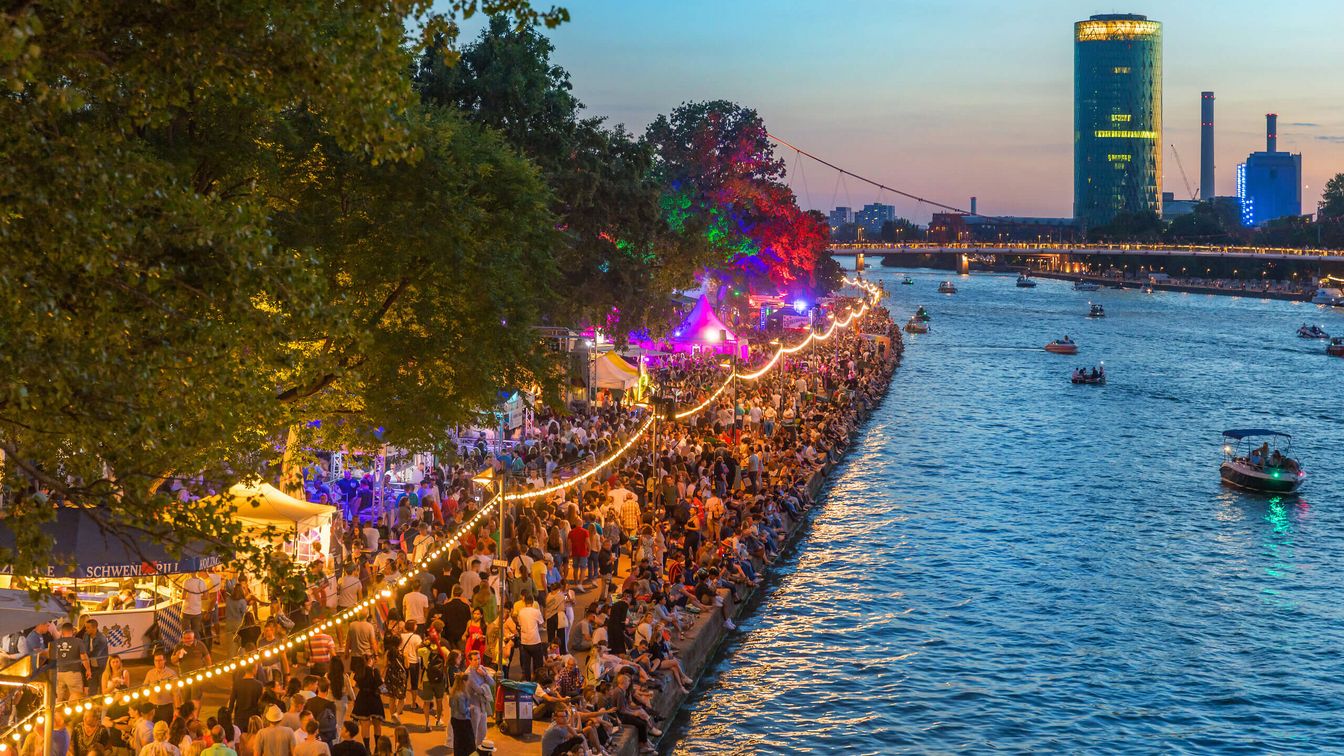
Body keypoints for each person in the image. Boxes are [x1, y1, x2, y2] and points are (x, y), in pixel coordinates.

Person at [349, 655, 384, 748]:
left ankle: (367, 749)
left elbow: (355, 687)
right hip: (375, 699)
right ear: (370, 660)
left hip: (362, 699)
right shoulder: (374, 671)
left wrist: (355, 701)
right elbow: (383, 688)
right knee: (377, 725)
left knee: (365, 725)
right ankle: (377, 748)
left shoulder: (359, 672)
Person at [52, 621, 91, 702]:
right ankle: (75, 714)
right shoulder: (78, 641)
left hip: (58, 673)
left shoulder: (56, 642)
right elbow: (83, 656)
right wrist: (88, 669)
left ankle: (55, 714)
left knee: (57, 699)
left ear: (62, 632)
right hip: (73, 673)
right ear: (73, 631)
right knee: (77, 698)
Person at [446, 673, 474, 756]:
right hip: (463, 721)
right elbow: (463, 710)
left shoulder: (453, 693)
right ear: (464, 682)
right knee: (467, 743)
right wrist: (470, 708)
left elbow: (450, 705)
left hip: (454, 719)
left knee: (457, 741)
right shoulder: (461, 694)